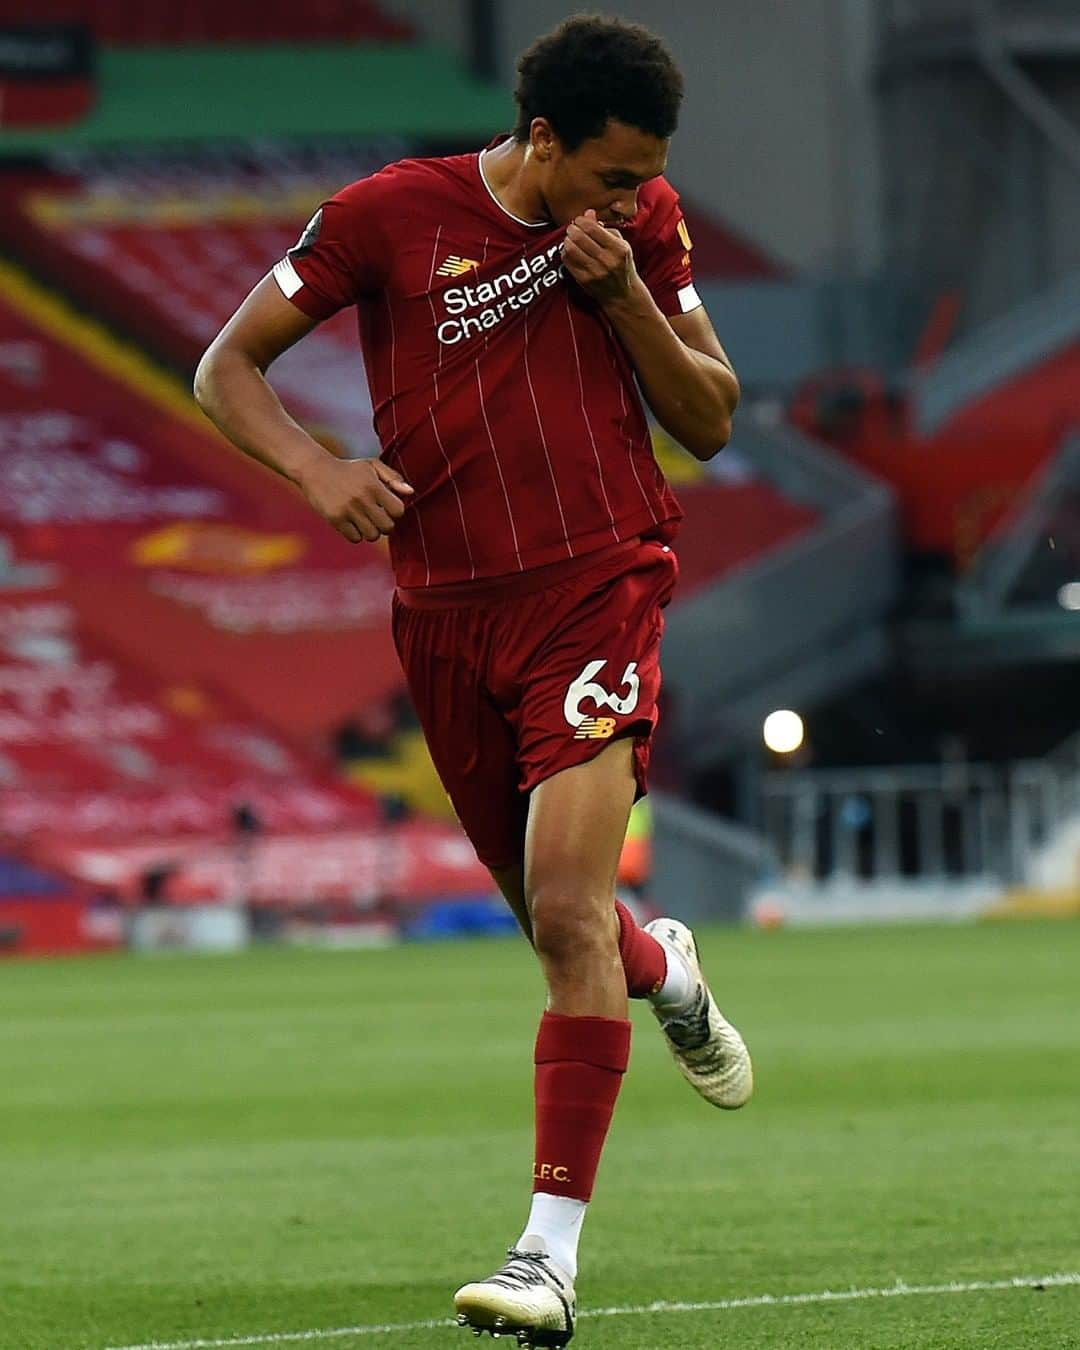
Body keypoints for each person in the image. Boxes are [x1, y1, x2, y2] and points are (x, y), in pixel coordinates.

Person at [195, 15, 752, 1346]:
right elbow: (227, 366)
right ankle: (662, 968)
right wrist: (321, 470)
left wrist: (620, 288)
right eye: (613, 174)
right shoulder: (390, 216)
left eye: (648, 176)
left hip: (597, 585)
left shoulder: (644, 227)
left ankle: (545, 1259)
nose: (637, 196)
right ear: (545, 141)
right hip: (444, 619)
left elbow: (714, 417)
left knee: (564, 910)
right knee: (561, 924)